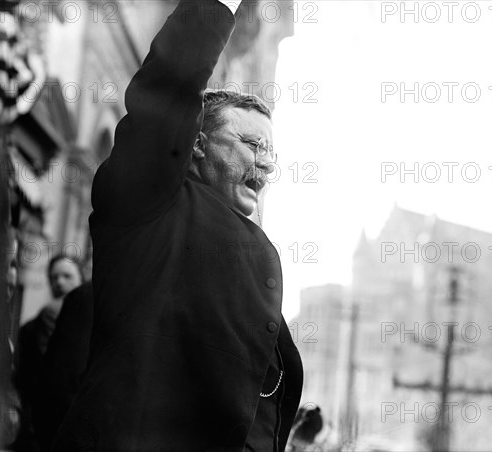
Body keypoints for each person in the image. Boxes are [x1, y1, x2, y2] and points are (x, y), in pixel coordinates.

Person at [52, 1, 303, 451]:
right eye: (251, 144)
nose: (264, 164)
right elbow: (167, 94)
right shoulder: (154, 203)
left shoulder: (257, 250)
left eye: (270, 153)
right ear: (198, 144)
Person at [15, 254, 83, 451]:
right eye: (53, 277)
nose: (59, 282)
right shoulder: (46, 317)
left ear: (81, 278)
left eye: (67, 276)